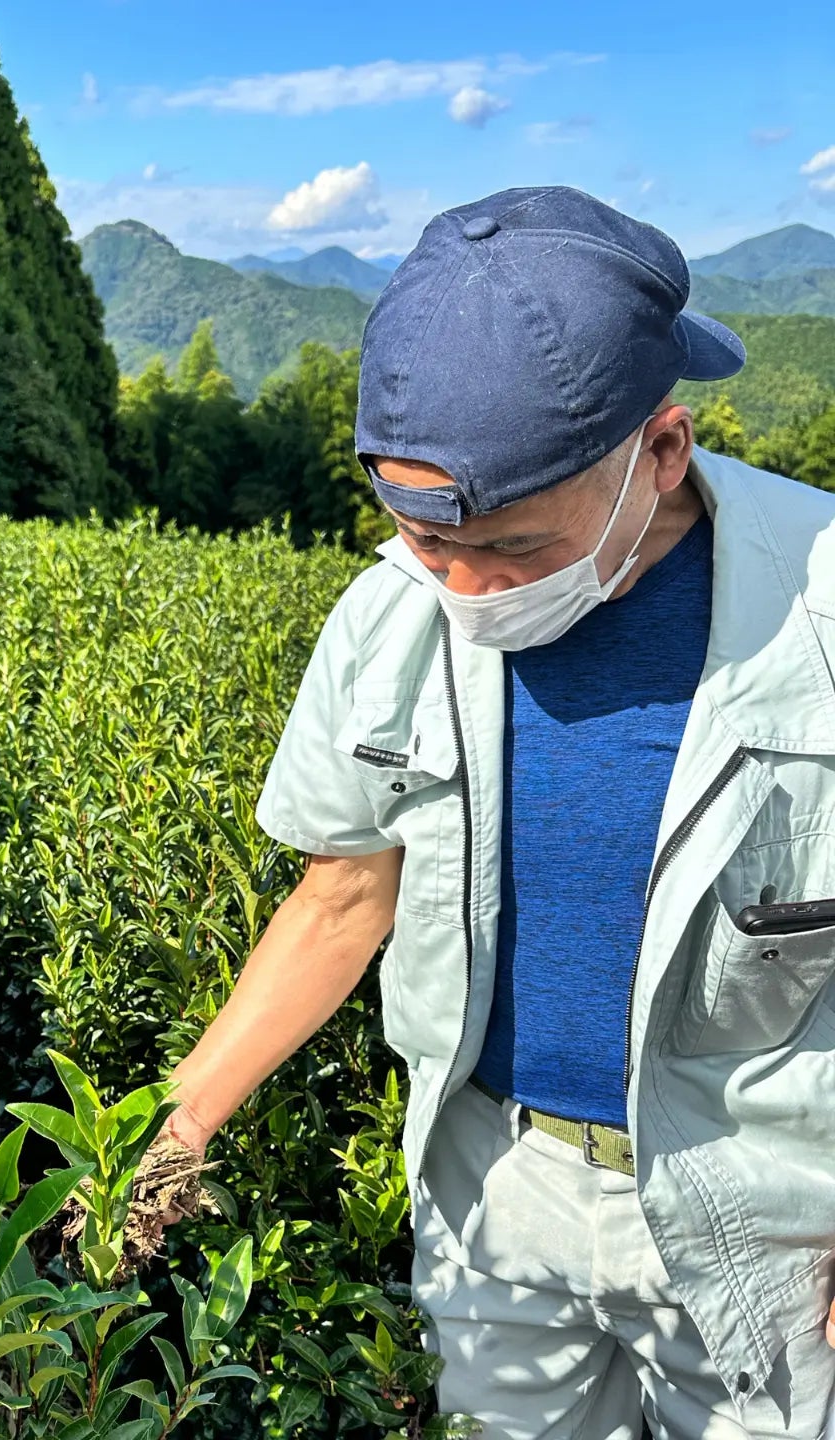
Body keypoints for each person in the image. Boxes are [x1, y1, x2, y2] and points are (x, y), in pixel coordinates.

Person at [155, 186, 835, 1437]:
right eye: (424, 540)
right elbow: (343, 894)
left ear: (662, 452)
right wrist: (183, 1120)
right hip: (492, 1190)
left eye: (515, 551)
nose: (466, 589)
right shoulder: (385, 619)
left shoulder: (821, 607)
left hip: (772, 1205)